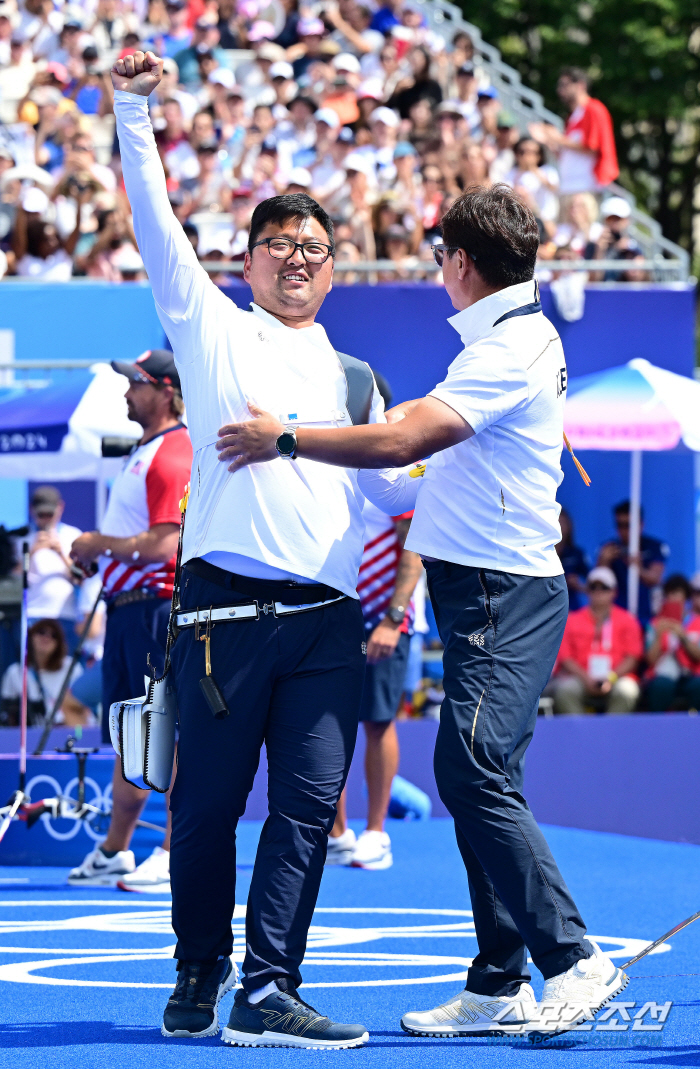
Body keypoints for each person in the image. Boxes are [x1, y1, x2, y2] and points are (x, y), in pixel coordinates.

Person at [217, 182, 629, 1037]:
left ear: (463, 263)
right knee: (485, 776)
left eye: (441, 255)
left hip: (499, 594)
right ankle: (497, 978)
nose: (438, 267)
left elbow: (406, 440)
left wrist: (283, 437)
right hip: (487, 589)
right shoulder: (510, 337)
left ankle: (573, 957)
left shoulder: (506, 348)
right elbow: (416, 439)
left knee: (471, 771)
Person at [107, 49, 383, 1049]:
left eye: (311, 244)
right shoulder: (211, 330)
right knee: (207, 811)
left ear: (332, 261)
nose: (295, 256)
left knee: (308, 814)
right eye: (277, 243)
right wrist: (135, 108)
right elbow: (153, 217)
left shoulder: (358, 378)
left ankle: (268, 986)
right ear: (249, 258)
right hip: (223, 619)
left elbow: (403, 481)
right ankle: (198, 966)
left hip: (326, 629)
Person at [68, 349, 192, 893]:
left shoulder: (170, 452)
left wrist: (100, 544)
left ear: (165, 391)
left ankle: (172, 850)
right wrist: (106, 555)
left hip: (153, 610)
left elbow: (166, 543)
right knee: (133, 733)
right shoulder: (148, 451)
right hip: (132, 610)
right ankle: (117, 849)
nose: (125, 393)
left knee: (162, 729)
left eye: (135, 384)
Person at [328, 374, 423, 870]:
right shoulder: (334, 456)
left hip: (387, 617)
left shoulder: (398, 460)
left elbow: (414, 547)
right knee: (328, 722)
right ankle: (338, 832)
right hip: (335, 614)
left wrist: (393, 618)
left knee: (376, 720)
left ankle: (376, 832)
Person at [552, 566, 643, 714]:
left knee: (627, 691)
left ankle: (611, 735)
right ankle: (582, 735)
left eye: (604, 587)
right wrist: (586, 679)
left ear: (614, 591)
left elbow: (632, 657)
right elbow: (566, 657)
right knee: (565, 690)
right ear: (587, 591)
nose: (598, 591)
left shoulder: (627, 620)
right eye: (593, 587)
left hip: (616, 677)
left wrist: (610, 679)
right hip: (581, 677)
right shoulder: (572, 620)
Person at [529, 67, 618, 195]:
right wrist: (547, 140)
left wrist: (556, 137)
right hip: (570, 186)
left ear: (580, 85)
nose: (560, 90)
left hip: (586, 187)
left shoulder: (594, 109)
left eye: (564, 85)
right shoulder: (573, 116)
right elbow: (567, 154)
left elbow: (591, 147)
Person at [23, 486, 82, 642]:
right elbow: (14, 578)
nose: (46, 519)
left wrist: (62, 554)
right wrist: (32, 552)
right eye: (41, 514)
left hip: (66, 615)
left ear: (60, 508)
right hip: (32, 614)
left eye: (50, 514)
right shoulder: (22, 537)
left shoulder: (74, 536)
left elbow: (81, 578)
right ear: (31, 510)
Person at [0, 618, 84, 727]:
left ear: (59, 643)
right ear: (30, 637)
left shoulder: (71, 667)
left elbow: (83, 709)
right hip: (30, 734)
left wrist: (78, 732)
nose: (47, 637)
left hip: (68, 729)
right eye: (41, 632)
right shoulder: (16, 672)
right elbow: (7, 713)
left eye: (54, 635)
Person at [597, 500, 668, 626]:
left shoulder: (654, 547)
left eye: (628, 525)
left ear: (640, 524)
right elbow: (597, 583)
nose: (624, 531)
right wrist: (604, 561)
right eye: (619, 525)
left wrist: (637, 567)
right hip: (615, 617)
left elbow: (654, 579)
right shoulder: (608, 548)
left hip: (646, 617)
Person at [645, 573, 700, 711]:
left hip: (690, 674)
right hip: (662, 675)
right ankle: (657, 728)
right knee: (662, 686)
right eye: (668, 594)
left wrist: (683, 636)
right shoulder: (655, 624)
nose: (671, 598)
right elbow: (650, 660)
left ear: (686, 597)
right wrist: (659, 635)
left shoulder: (696, 622)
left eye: (676, 594)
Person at [556, 507, 589, 611]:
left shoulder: (576, 554)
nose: (560, 527)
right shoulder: (541, 553)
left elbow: (592, 580)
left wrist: (579, 586)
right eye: (556, 522)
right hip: (546, 605)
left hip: (571, 607)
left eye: (562, 523)